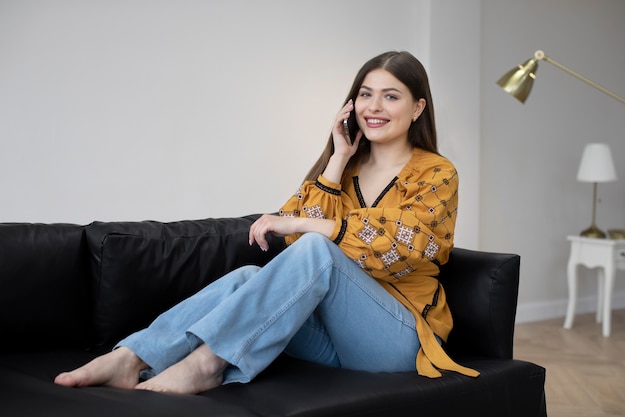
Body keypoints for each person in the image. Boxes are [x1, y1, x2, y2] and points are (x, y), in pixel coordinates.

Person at [54, 50, 479, 395]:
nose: (374, 107)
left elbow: (405, 247)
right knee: (247, 278)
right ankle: (132, 358)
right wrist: (336, 161)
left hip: (399, 339)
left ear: (418, 106)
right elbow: (297, 255)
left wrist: (318, 229)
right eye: (366, 94)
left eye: (391, 96)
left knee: (317, 248)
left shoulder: (437, 173)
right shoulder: (343, 170)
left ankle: (206, 365)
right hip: (332, 341)